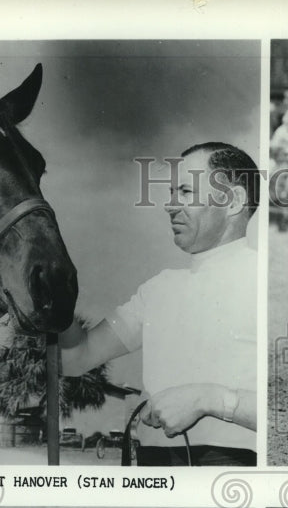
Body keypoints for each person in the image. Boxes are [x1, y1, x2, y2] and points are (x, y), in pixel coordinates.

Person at [60, 142, 259, 466]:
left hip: (236, 471)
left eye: (186, 192)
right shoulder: (158, 289)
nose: (170, 206)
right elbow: (75, 358)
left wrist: (208, 399)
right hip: (152, 469)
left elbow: (283, 415)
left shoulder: (263, 279)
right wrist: (58, 298)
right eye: (171, 193)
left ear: (233, 201)